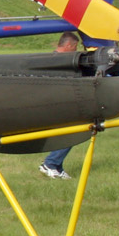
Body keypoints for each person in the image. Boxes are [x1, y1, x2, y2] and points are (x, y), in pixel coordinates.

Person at [39, 32, 83, 179]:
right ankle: (50, 163)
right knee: (71, 132)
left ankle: (57, 166)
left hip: (59, 102)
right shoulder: (58, 61)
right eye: (75, 47)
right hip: (57, 104)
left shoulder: (53, 59)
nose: (76, 50)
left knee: (66, 134)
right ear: (68, 45)